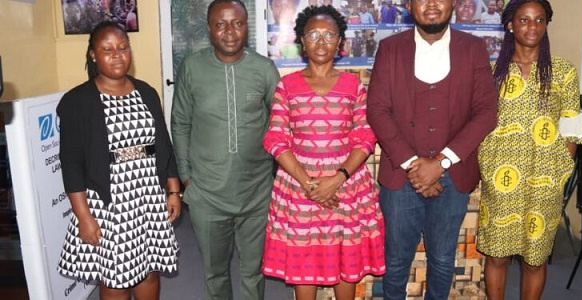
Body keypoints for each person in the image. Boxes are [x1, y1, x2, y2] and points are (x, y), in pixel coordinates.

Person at [366, 0, 498, 299]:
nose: (432, 4)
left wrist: (441, 162)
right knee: (397, 261)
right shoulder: (391, 48)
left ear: (452, 3)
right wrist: (415, 165)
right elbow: (377, 110)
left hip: (453, 176)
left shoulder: (473, 48)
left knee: (441, 260)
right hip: (401, 176)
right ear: (410, 5)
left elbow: (487, 111)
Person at [261, 5, 386, 300]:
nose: (320, 41)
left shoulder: (353, 86)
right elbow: (276, 138)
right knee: (306, 260)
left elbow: (365, 136)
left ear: (340, 42)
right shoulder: (286, 86)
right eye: (313, 34)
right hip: (298, 185)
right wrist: (309, 183)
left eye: (329, 35)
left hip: (346, 186)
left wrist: (338, 178)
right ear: (302, 41)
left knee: (345, 257)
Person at [476, 1, 582, 299]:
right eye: (525, 20)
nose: (532, 27)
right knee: (497, 256)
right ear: (510, 25)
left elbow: (570, 127)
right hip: (501, 180)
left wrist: (558, 172)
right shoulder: (491, 72)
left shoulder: (563, 72)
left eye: (539, 20)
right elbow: (477, 123)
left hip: (544, 183)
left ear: (546, 25)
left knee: (534, 259)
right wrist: (488, 169)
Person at [56, 21, 181, 300]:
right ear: (92, 54)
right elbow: (72, 165)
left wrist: (173, 190)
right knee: (116, 276)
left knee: (150, 268)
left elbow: (163, 145)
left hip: (148, 196)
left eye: (123, 48)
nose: (117, 54)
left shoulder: (146, 93)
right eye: (107, 49)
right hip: (111, 202)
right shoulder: (77, 101)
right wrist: (84, 218)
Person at [170, 0, 280, 299]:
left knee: (252, 271)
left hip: (256, 192)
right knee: (214, 272)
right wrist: (186, 176)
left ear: (247, 27)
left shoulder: (264, 69)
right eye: (220, 24)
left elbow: (281, 125)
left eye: (237, 23)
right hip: (207, 193)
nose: (229, 32)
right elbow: (179, 124)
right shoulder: (192, 68)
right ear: (209, 28)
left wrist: (276, 174)